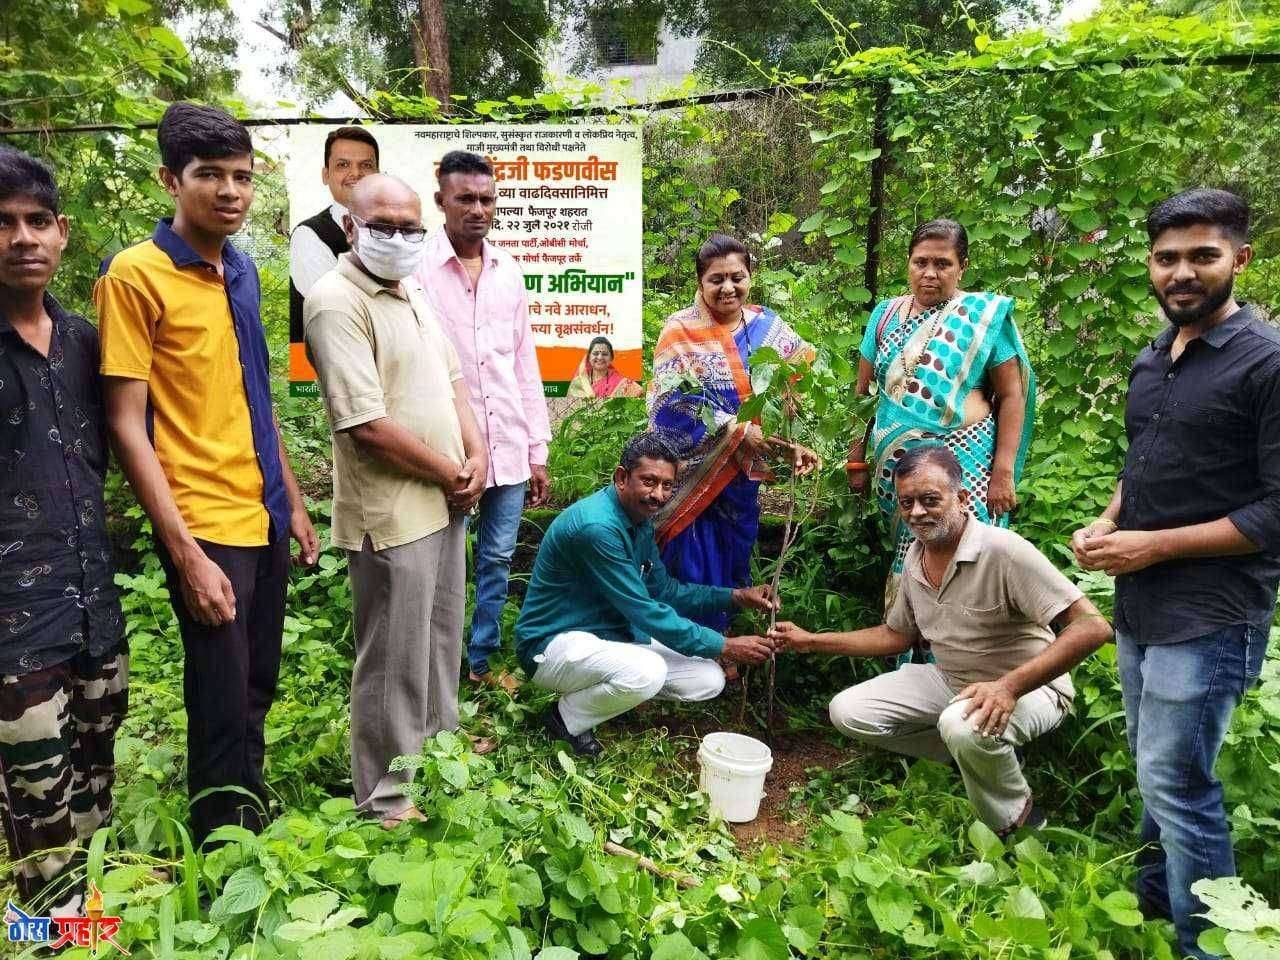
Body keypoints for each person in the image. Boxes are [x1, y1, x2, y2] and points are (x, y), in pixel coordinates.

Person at [95, 102, 319, 845]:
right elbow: (126, 422)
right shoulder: (136, 276)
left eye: (243, 177)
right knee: (219, 692)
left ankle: (244, 810)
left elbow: (257, 394)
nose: (230, 192)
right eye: (210, 175)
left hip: (262, 509)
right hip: (200, 517)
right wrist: (184, 552)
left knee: (257, 682)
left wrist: (292, 499)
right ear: (170, 179)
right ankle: (220, 843)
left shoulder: (244, 269)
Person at [1072, 188, 1279, 960]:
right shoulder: (1157, 355)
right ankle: (1155, 914)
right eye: (1167, 258)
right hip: (1142, 604)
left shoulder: (1268, 364)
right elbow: (1147, 463)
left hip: (1213, 610)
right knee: (1157, 773)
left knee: (1180, 787)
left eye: (1203, 256)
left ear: (1240, 259)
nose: (1182, 272)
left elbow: (1277, 512)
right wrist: (1111, 519)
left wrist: (1154, 546)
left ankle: (1209, 947)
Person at [773, 445, 1111, 835]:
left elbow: (1092, 627)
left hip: (1030, 688)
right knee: (848, 711)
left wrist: (1010, 686)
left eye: (930, 500)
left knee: (962, 724)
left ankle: (1018, 824)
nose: (917, 512)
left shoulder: (1003, 550)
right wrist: (812, 640)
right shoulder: (915, 559)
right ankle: (978, 757)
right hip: (951, 681)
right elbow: (895, 635)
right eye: (907, 502)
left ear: (963, 499)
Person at [304, 174, 488, 826]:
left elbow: (456, 384)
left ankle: (435, 761)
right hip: (393, 514)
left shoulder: (410, 292)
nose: (400, 238)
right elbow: (366, 426)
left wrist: (478, 454)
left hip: (443, 506)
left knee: (438, 648)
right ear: (350, 228)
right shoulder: (334, 301)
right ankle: (385, 799)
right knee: (390, 664)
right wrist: (450, 470)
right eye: (384, 225)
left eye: (411, 227)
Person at [0, 149, 127, 912]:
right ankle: (54, 931)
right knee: (39, 819)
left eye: (37, 221)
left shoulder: (86, 343)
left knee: (95, 790)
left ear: (63, 233)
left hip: (94, 613)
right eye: (4, 224)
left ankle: (95, 918)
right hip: (15, 633)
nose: (23, 239)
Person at [516, 432, 781, 756]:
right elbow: (644, 610)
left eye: (667, 485)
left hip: (607, 637)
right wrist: (724, 645)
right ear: (621, 478)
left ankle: (612, 694)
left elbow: (665, 590)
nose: (658, 494)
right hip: (551, 646)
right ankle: (564, 719)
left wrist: (736, 595)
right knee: (648, 671)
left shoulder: (638, 521)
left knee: (707, 679)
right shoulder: (597, 528)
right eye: (649, 481)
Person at [847, 220, 1034, 641]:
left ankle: (970, 649)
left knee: (965, 551)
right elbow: (864, 394)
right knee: (908, 553)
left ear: (962, 267)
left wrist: (1002, 473)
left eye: (943, 264)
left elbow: (1012, 396)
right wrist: (856, 458)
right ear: (908, 265)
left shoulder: (982, 318)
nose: (930, 273)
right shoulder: (885, 315)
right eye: (921, 262)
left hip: (963, 460)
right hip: (895, 469)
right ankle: (907, 651)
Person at [413, 150, 551, 692]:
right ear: (441, 200)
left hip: (511, 447)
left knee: (496, 559)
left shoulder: (508, 272)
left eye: (486, 198)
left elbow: (524, 364)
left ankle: (480, 661)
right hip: (448, 451)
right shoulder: (418, 272)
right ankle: (435, 662)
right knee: (443, 563)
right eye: (465, 198)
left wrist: (537, 449)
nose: (477, 208)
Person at [649, 234, 818, 632]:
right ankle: (688, 639)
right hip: (695, 470)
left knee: (735, 546)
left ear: (750, 277)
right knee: (692, 552)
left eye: (737, 277)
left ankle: (727, 635)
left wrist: (787, 436)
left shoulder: (767, 326)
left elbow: (796, 377)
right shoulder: (679, 331)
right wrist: (736, 429)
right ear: (700, 282)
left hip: (744, 471)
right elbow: (669, 405)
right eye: (716, 279)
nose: (728, 288)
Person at [288, 127, 379, 343]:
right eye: (343, 165)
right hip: (324, 369)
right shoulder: (308, 236)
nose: (355, 173)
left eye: (366, 165)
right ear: (325, 175)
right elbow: (341, 313)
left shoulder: (394, 227)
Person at [567, 336, 643, 398]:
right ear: (589, 357)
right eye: (595, 353)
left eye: (605, 354)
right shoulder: (579, 382)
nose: (600, 357)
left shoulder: (623, 383)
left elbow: (639, 393)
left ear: (611, 358)